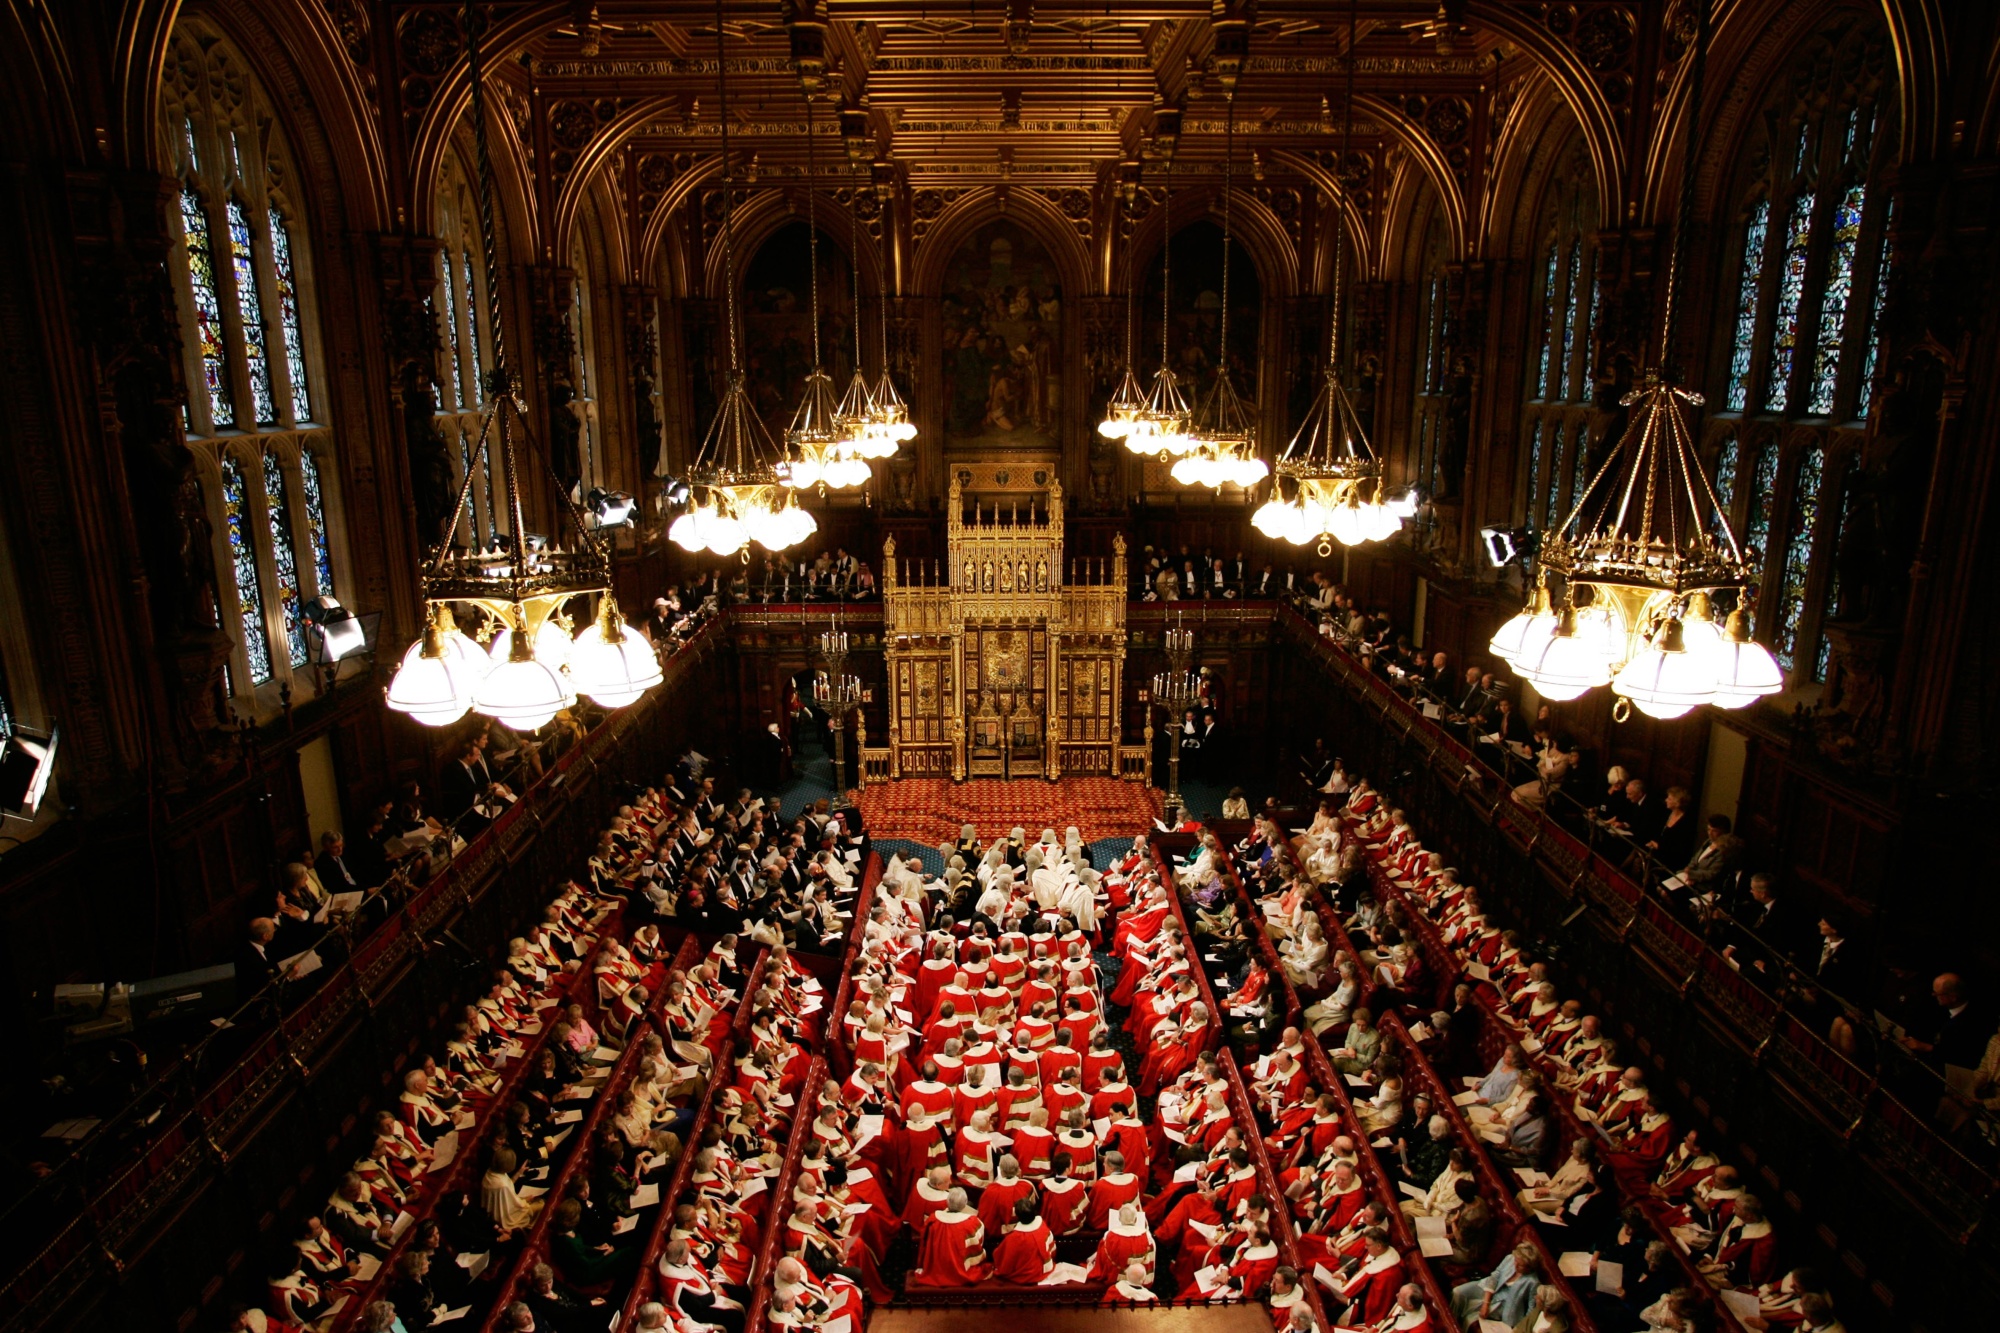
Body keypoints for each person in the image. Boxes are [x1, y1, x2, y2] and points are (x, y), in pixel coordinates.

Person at [1450, 1243, 1545, 1328]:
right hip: (1490, 1288)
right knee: (1457, 1292)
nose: (1515, 1265)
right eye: (1515, 1261)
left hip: (1504, 1305)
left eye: (1520, 1265)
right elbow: (1495, 1275)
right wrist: (1486, 1303)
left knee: (1470, 1317)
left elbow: (1531, 1308)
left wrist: (1521, 1328)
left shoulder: (1533, 1282)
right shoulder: (1510, 1258)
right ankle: (1450, 1322)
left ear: (1530, 1266)